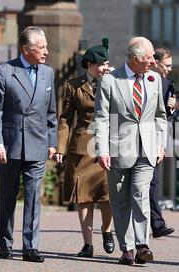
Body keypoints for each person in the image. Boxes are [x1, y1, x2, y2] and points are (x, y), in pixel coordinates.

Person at [94, 37, 167, 265]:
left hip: (147, 148)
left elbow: (160, 115)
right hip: (118, 149)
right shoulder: (109, 81)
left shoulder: (154, 80)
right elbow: (101, 118)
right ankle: (126, 248)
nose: (153, 63)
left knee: (140, 192)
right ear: (134, 59)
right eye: (149, 58)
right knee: (121, 199)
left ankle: (142, 244)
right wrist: (102, 150)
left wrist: (160, 143)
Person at [0, 26, 57, 263]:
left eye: (46, 46)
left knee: (34, 196)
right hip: (10, 145)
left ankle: (31, 247)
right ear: (26, 50)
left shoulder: (48, 73)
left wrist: (52, 142)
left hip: (37, 143)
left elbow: (51, 113)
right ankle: (6, 244)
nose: (46, 51)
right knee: (7, 197)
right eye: (42, 47)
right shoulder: (5, 71)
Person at [54, 42, 115, 258]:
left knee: (107, 195)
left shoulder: (114, 83)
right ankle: (87, 244)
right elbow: (65, 119)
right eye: (101, 64)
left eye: (108, 63)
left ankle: (107, 230)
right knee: (84, 196)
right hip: (82, 146)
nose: (106, 68)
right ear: (89, 65)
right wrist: (60, 147)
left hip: (106, 145)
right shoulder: (74, 85)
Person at [148, 47, 176, 238]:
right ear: (156, 63)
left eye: (171, 66)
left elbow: (164, 116)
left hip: (155, 138)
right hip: (137, 135)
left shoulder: (167, 83)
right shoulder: (146, 78)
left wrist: (171, 108)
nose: (169, 69)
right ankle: (155, 223)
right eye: (166, 65)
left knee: (152, 183)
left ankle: (156, 224)